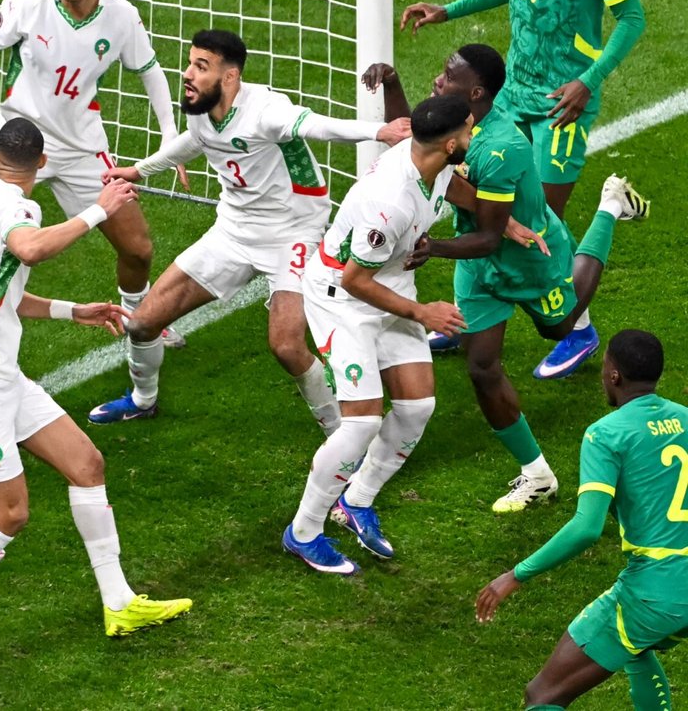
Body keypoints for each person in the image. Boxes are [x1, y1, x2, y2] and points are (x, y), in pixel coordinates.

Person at [0, 118, 191, 654]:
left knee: (87, 464)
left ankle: (119, 603)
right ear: (42, 164)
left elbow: (1, 292)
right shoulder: (18, 210)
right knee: (11, 511)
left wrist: (74, 310)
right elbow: (29, 250)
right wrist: (99, 210)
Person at [369, 46, 650, 513]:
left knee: (560, 328)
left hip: (528, 257)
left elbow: (489, 236)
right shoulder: (451, 118)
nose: (438, 80)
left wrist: (434, 247)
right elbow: (412, 142)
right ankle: (537, 475)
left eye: (449, 75)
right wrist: (393, 83)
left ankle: (610, 206)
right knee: (481, 366)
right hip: (479, 266)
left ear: (476, 92)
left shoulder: (504, 148)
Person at [401, 0, 645, 374]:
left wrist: (588, 80)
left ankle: (579, 325)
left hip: (562, 105)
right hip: (513, 94)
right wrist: (449, 10)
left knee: (539, 223)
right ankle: (471, 316)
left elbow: (633, 19)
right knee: (481, 202)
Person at [90, 29, 410, 432]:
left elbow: (318, 126)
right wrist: (139, 170)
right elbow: (196, 140)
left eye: (201, 66)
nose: (187, 74)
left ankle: (339, 432)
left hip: (292, 233)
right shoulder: (199, 106)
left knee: (287, 346)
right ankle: (142, 400)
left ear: (230, 77)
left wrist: (379, 132)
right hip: (233, 231)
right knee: (141, 323)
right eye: (190, 63)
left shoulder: (266, 111)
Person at [0, 0, 189, 350]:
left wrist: (169, 136)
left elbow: (150, 70)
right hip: (21, 146)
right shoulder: (26, 5)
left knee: (138, 248)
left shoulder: (121, 17)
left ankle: (140, 318)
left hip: (83, 149)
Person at [283, 95, 472, 574]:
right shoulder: (389, 201)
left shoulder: (433, 160)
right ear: (451, 144)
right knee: (361, 424)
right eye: (468, 130)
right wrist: (423, 313)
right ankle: (303, 532)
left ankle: (356, 500)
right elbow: (355, 280)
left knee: (416, 408)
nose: (473, 135)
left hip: (391, 285)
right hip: (342, 298)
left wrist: (504, 223)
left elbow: (450, 186)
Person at [476, 330, 688, 710]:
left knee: (542, 695)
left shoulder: (606, 435)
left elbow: (587, 527)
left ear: (614, 376)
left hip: (655, 591)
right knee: (635, 646)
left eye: (605, 365)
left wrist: (516, 575)